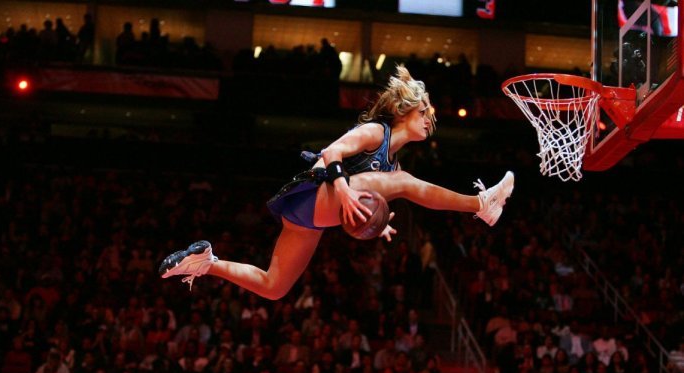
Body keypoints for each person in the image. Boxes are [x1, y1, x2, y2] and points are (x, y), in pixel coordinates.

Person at [160, 65, 515, 299]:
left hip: (307, 217)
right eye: (423, 113)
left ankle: (205, 263)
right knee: (405, 182)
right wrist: (344, 190)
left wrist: (378, 224)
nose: (428, 120)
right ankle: (481, 204)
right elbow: (332, 152)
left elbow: (374, 195)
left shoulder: (392, 165)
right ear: (402, 112)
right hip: (315, 191)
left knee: (274, 286)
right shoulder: (377, 132)